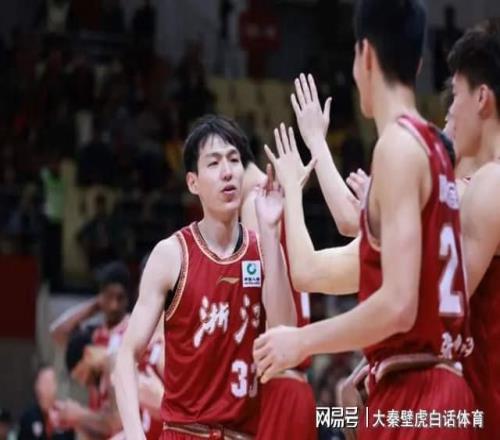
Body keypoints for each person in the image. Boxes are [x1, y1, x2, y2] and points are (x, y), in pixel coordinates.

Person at [253, 2, 475, 439]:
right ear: (417, 62)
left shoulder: (397, 147)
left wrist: (301, 340)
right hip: (430, 386)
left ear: (365, 55)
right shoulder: (432, 148)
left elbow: (398, 305)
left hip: (419, 390)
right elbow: (336, 243)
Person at [113, 115, 296, 439]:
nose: (227, 171)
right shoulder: (171, 255)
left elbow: (285, 336)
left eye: (234, 160)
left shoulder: (264, 248)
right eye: (214, 163)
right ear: (193, 182)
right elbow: (127, 356)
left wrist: (270, 233)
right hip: (185, 432)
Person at [446, 18, 500, 439]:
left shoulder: (490, 184)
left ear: (481, 97)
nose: (451, 110)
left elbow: (440, 310)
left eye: (455, 94)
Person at [241, 160, 316, 440]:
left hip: (277, 384)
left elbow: (254, 297)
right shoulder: (281, 200)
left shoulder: (255, 203)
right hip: (296, 386)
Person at [18, 365, 74, 440]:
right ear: (37, 386)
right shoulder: (28, 418)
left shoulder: (65, 417)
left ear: (56, 386)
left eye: (51, 382)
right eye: (44, 382)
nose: (48, 387)